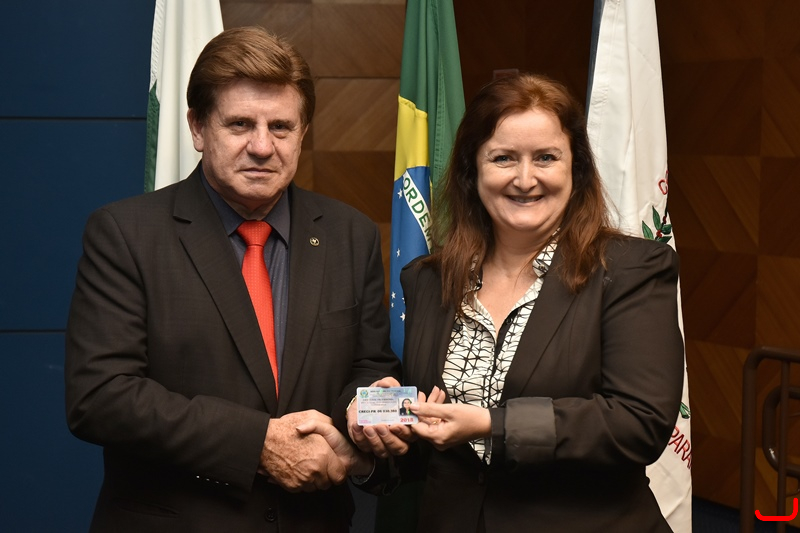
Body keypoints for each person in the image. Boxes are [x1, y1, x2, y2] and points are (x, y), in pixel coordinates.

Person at [65, 26, 400, 533]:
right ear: (198, 128)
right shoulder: (125, 233)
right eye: (240, 124)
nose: (262, 146)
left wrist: (364, 410)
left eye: (281, 127)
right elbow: (101, 396)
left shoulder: (349, 233)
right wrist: (259, 444)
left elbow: (370, 364)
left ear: (303, 133)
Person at [357, 73, 685, 532]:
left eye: (546, 157)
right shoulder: (429, 279)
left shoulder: (630, 269)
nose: (525, 179)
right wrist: (371, 437)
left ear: (576, 169)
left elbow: (639, 423)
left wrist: (492, 424)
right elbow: (432, 432)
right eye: (503, 158)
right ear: (472, 171)